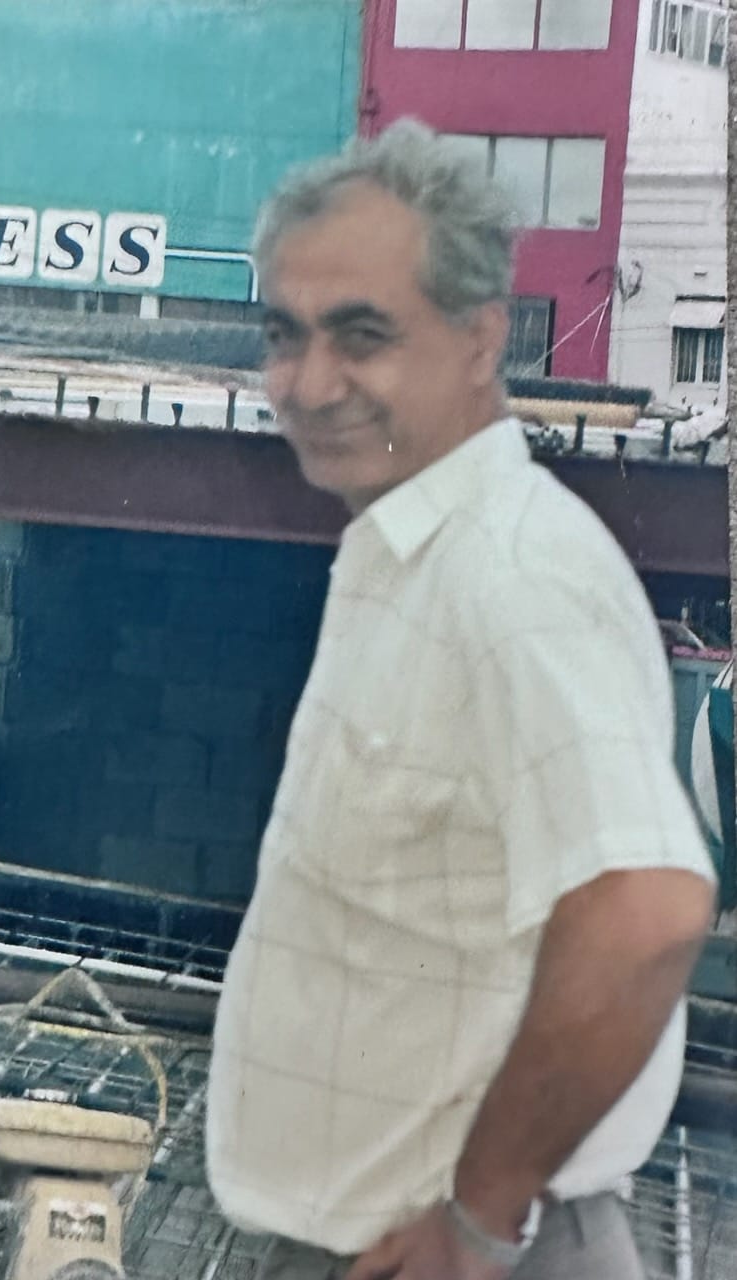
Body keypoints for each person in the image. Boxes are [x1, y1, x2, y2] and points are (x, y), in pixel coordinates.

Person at [205, 119, 717, 1280]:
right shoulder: (412, 548)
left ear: (482, 337)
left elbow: (645, 910)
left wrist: (480, 1217)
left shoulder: (514, 576)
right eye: (284, 333)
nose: (310, 383)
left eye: (363, 335)